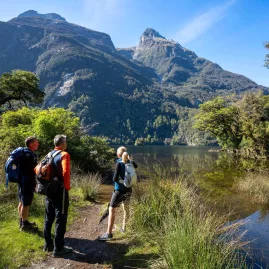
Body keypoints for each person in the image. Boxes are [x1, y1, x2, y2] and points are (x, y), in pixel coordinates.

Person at [98, 146, 138, 241]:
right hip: (129, 190)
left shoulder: (118, 164)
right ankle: (124, 228)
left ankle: (109, 234)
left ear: (118, 154)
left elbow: (114, 179)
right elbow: (136, 167)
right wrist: (129, 159)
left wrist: (120, 179)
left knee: (112, 210)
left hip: (119, 190)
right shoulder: (131, 162)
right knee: (126, 209)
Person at [43, 135, 73, 257]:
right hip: (60, 191)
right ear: (62, 143)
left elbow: (37, 169)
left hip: (48, 190)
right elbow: (65, 172)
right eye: (65, 141)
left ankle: (48, 245)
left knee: (48, 217)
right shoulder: (64, 155)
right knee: (61, 217)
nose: (66, 143)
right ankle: (58, 249)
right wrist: (67, 187)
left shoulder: (48, 154)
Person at [18, 136, 39, 232]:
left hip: (21, 181)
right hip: (27, 182)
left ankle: (22, 221)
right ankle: (25, 226)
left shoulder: (24, 153)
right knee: (26, 204)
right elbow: (32, 171)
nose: (38, 144)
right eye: (36, 143)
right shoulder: (29, 155)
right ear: (30, 144)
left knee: (21, 202)